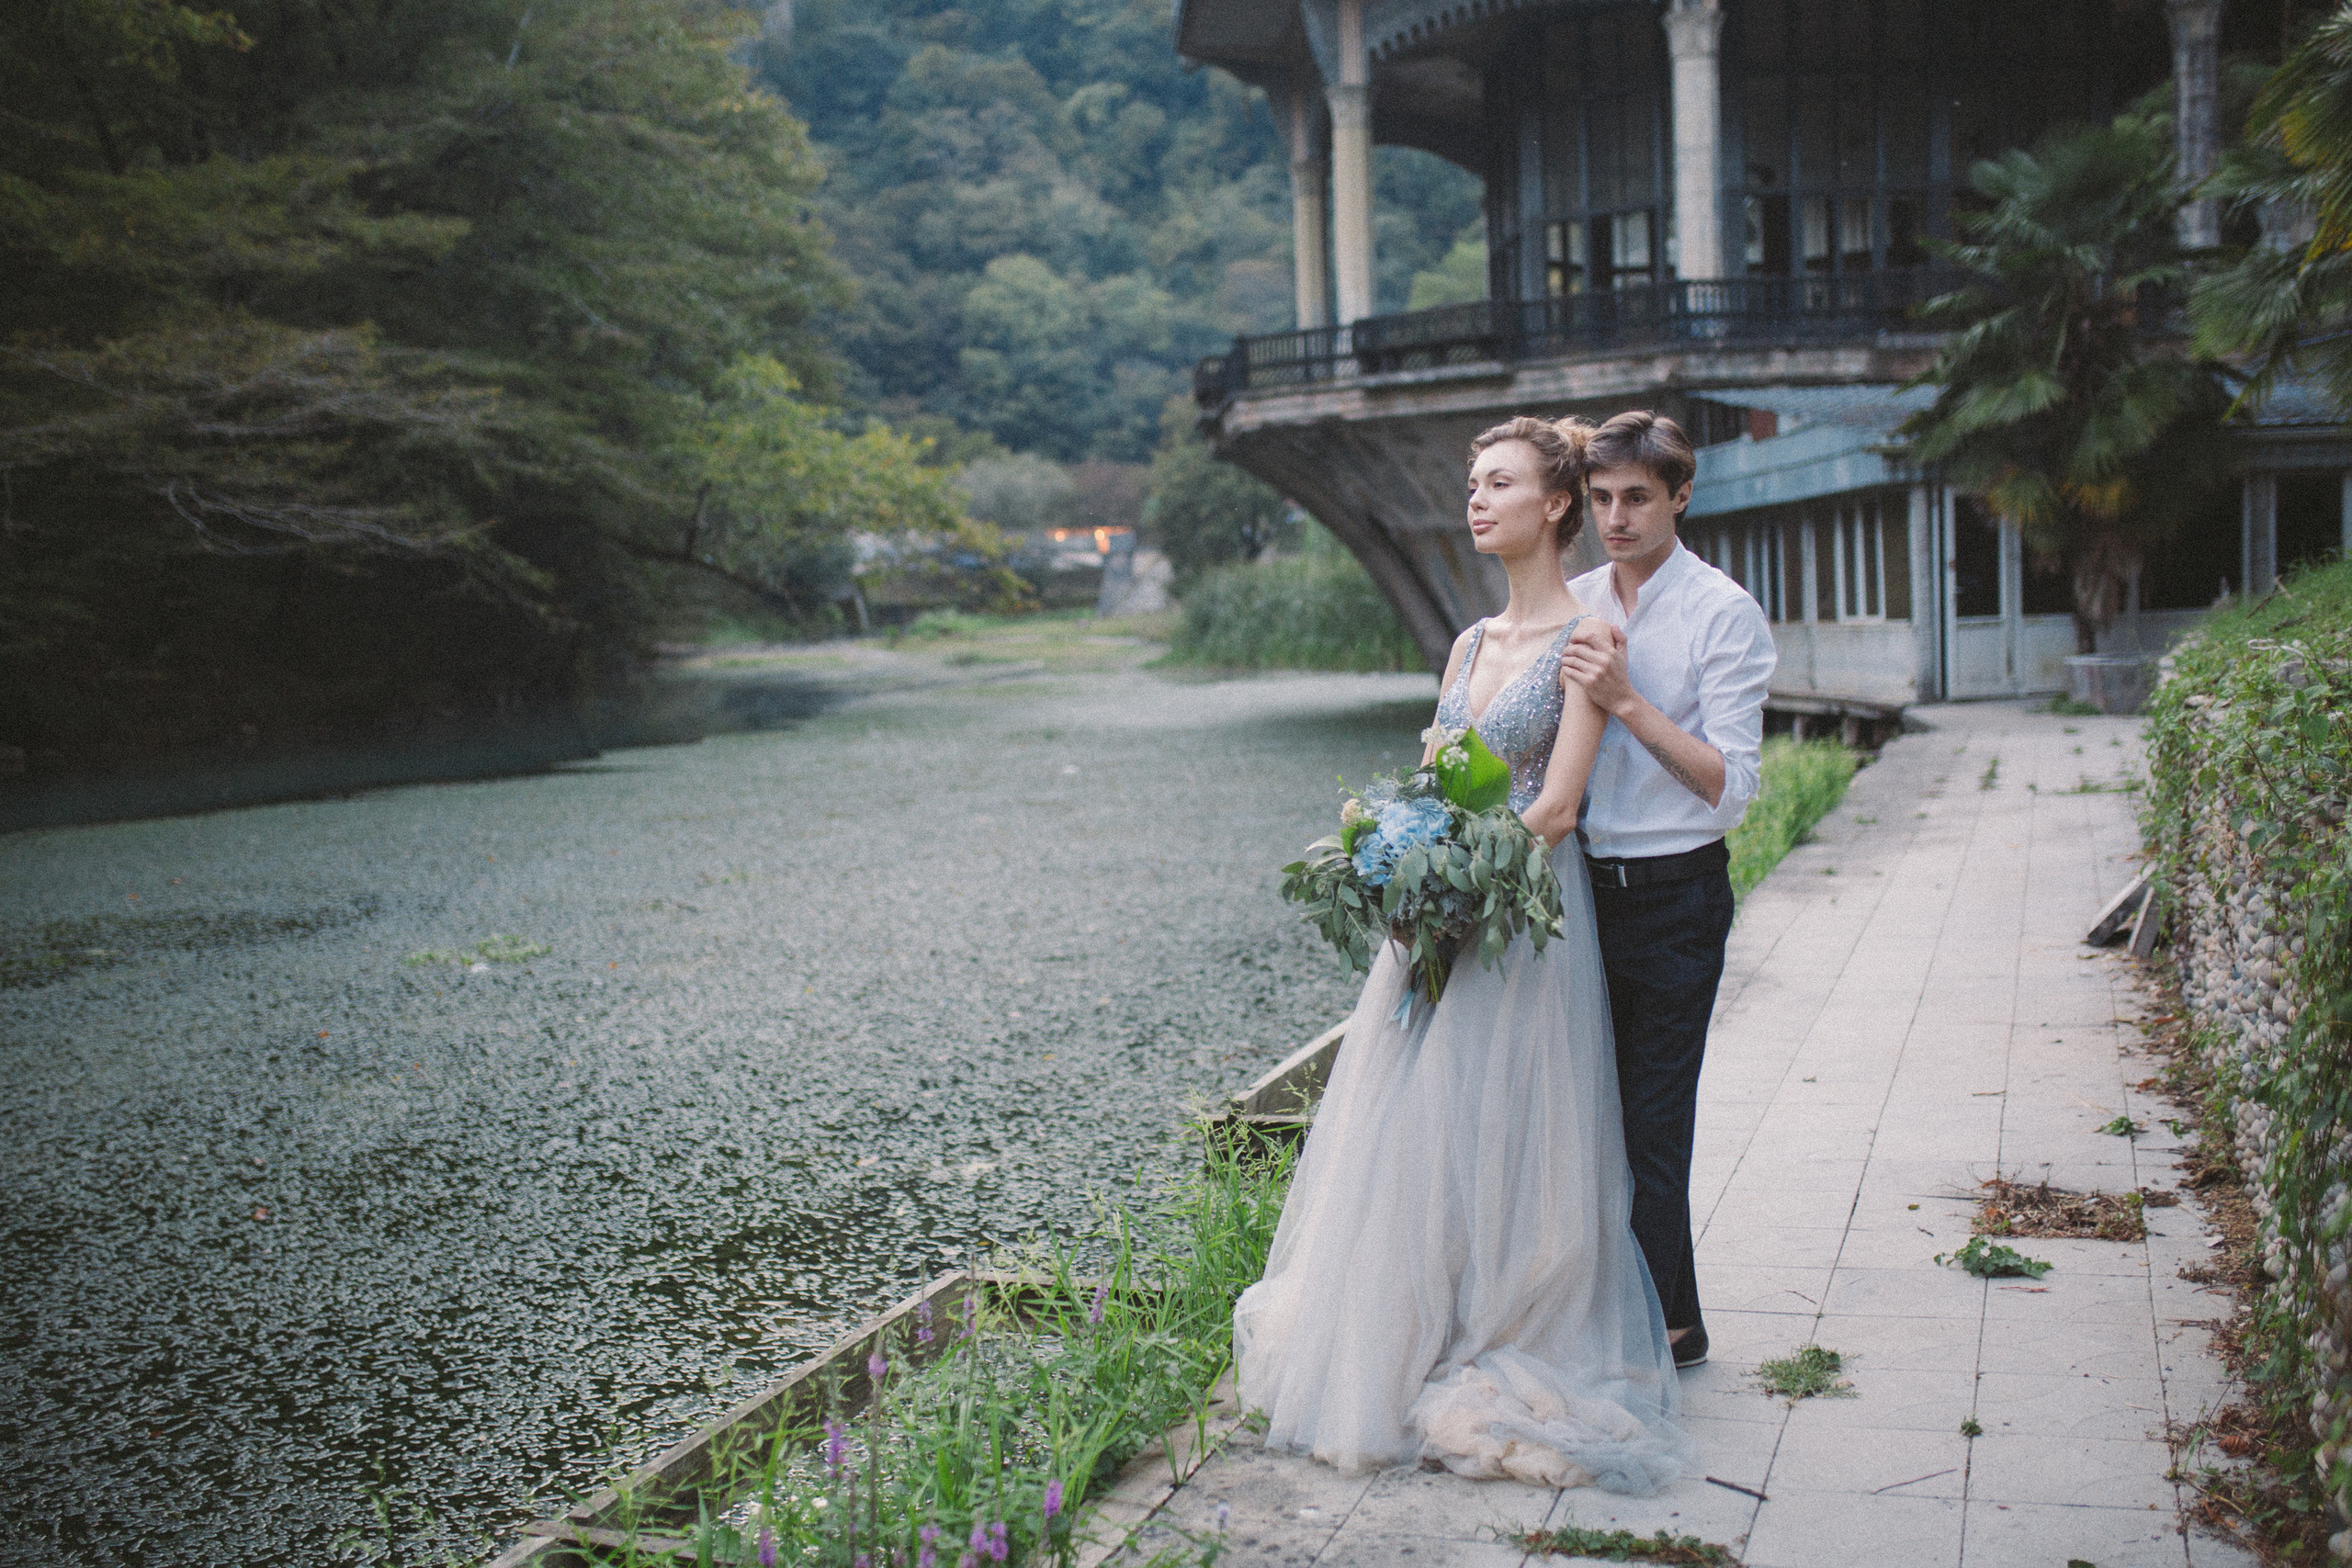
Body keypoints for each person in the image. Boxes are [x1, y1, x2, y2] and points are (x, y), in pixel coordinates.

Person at [1233, 416, 1692, 1493]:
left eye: (1498, 484)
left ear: (1558, 505)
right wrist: (1403, 872)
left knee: (1499, 1125)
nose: (1476, 500)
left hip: (1519, 914)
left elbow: (1561, 803)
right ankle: (1400, 1326)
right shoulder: (1468, 644)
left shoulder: (1589, 637)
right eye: (1471, 483)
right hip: (1434, 915)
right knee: (1408, 1129)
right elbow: (1437, 782)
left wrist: (1461, 878)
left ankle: (1497, 1323)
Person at [1559, 411, 1777, 1372]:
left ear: (1680, 496)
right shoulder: (1571, 600)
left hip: (1675, 895)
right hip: (1576, 892)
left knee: (1652, 1118)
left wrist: (1626, 701)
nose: (1615, 517)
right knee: (1584, 1114)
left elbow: (1731, 788)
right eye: (1601, 498)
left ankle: (1659, 1333)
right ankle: (1660, 1319)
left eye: (1636, 498)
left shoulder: (1721, 611)